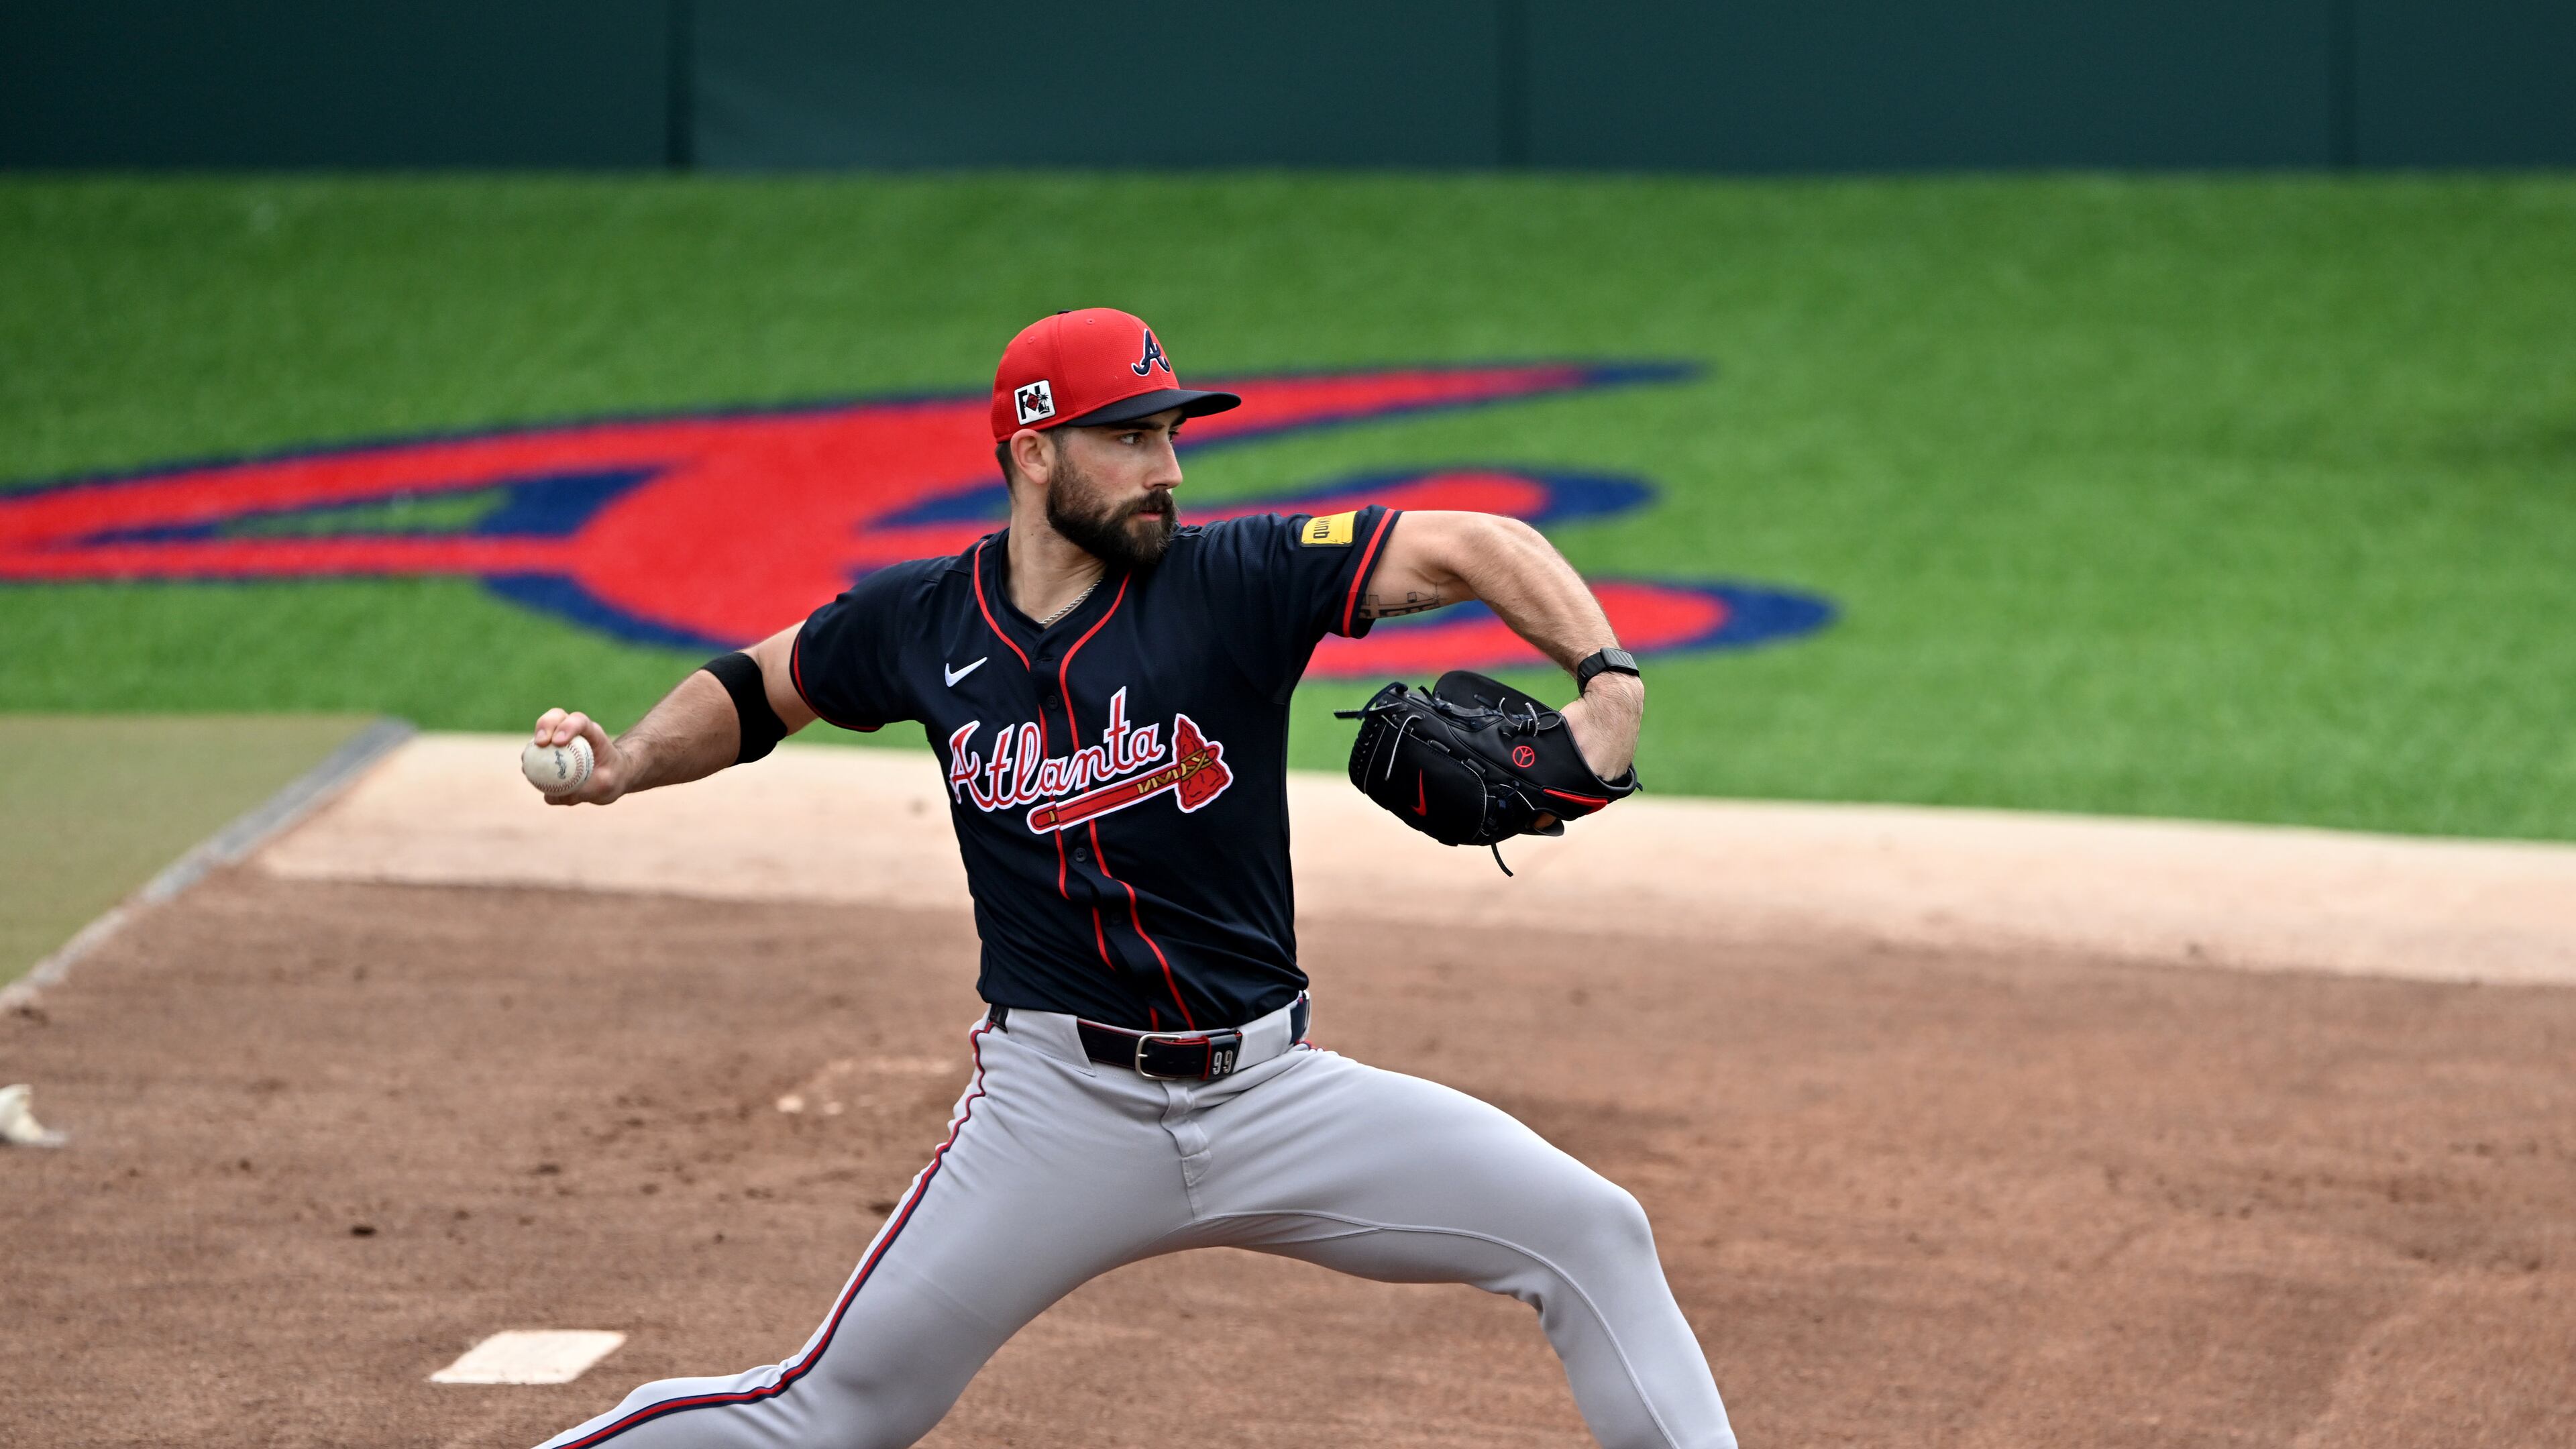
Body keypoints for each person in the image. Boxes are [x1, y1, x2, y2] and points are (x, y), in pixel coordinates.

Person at [525, 308, 1733, 1449]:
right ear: (1036, 451)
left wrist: (1607, 684)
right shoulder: (923, 623)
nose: (1170, 468)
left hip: (1277, 1099)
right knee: (836, 1412)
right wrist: (623, 763)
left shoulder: (1236, 583)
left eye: (1172, 434)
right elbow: (757, 688)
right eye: (1131, 436)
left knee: (1593, 1235)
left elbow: (1479, 542)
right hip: (1058, 1116)